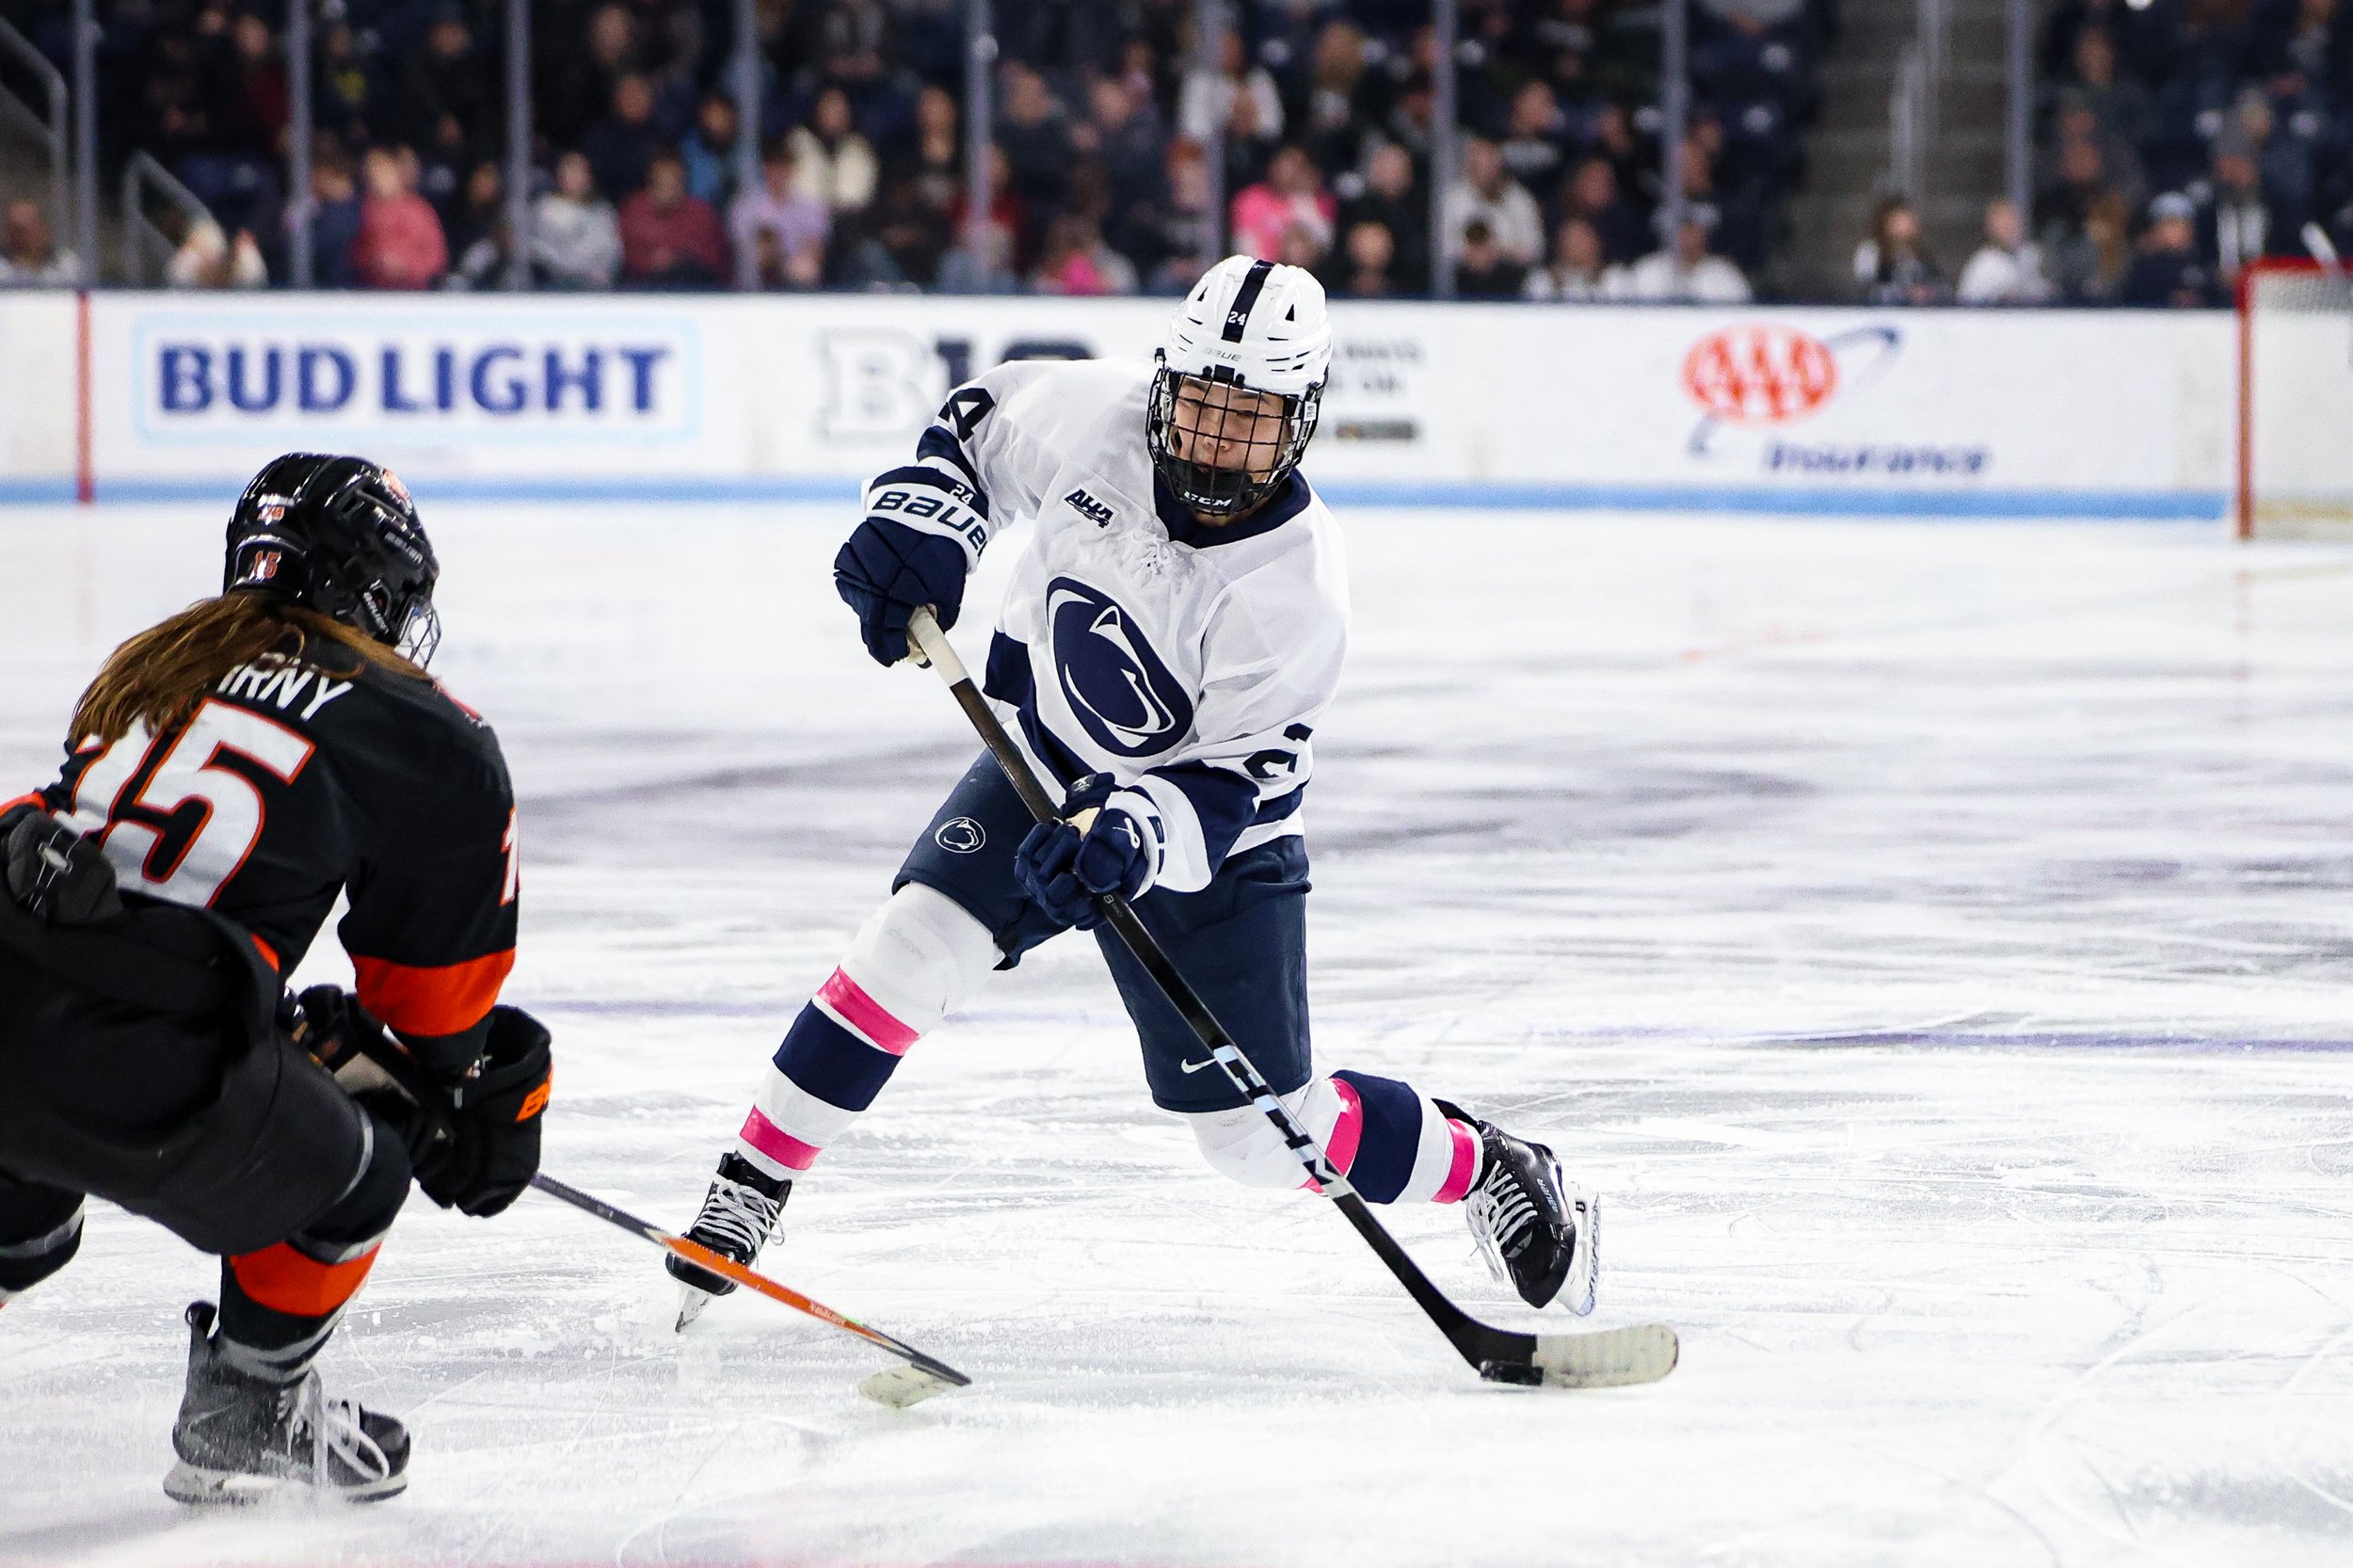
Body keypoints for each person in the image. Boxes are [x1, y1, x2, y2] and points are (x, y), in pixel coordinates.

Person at [665, 256, 1598, 1333]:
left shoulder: (1295, 590)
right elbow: (973, 428)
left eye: (1248, 421)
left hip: (1214, 849)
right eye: (1200, 405)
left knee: (1260, 1139)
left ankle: (1487, 1164)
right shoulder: (1093, 417)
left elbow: (1233, 782)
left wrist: (1132, 834)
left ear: (1299, 423)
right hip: (1044, 757)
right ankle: (752, 1181)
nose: (1213, 441)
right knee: (906, 949)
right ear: (1164, 386)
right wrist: (928, 525)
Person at [0, 455, 550, 1503]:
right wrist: (457, 1095)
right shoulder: (426, 726)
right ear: (375, 590)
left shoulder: (152, 661)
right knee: (365, 1163)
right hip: (135, 1056)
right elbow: (430, 1017)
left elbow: (57, 835)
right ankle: (248, 1408)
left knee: (21, 1228)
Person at [1955, 199, 2052, 304]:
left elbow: (2041, 292)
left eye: (2012, 221)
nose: (2010, 227)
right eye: (2003, 223)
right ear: (1991, 228)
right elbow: (1967, 303)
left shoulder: (2030, 256)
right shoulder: (1983, 263)